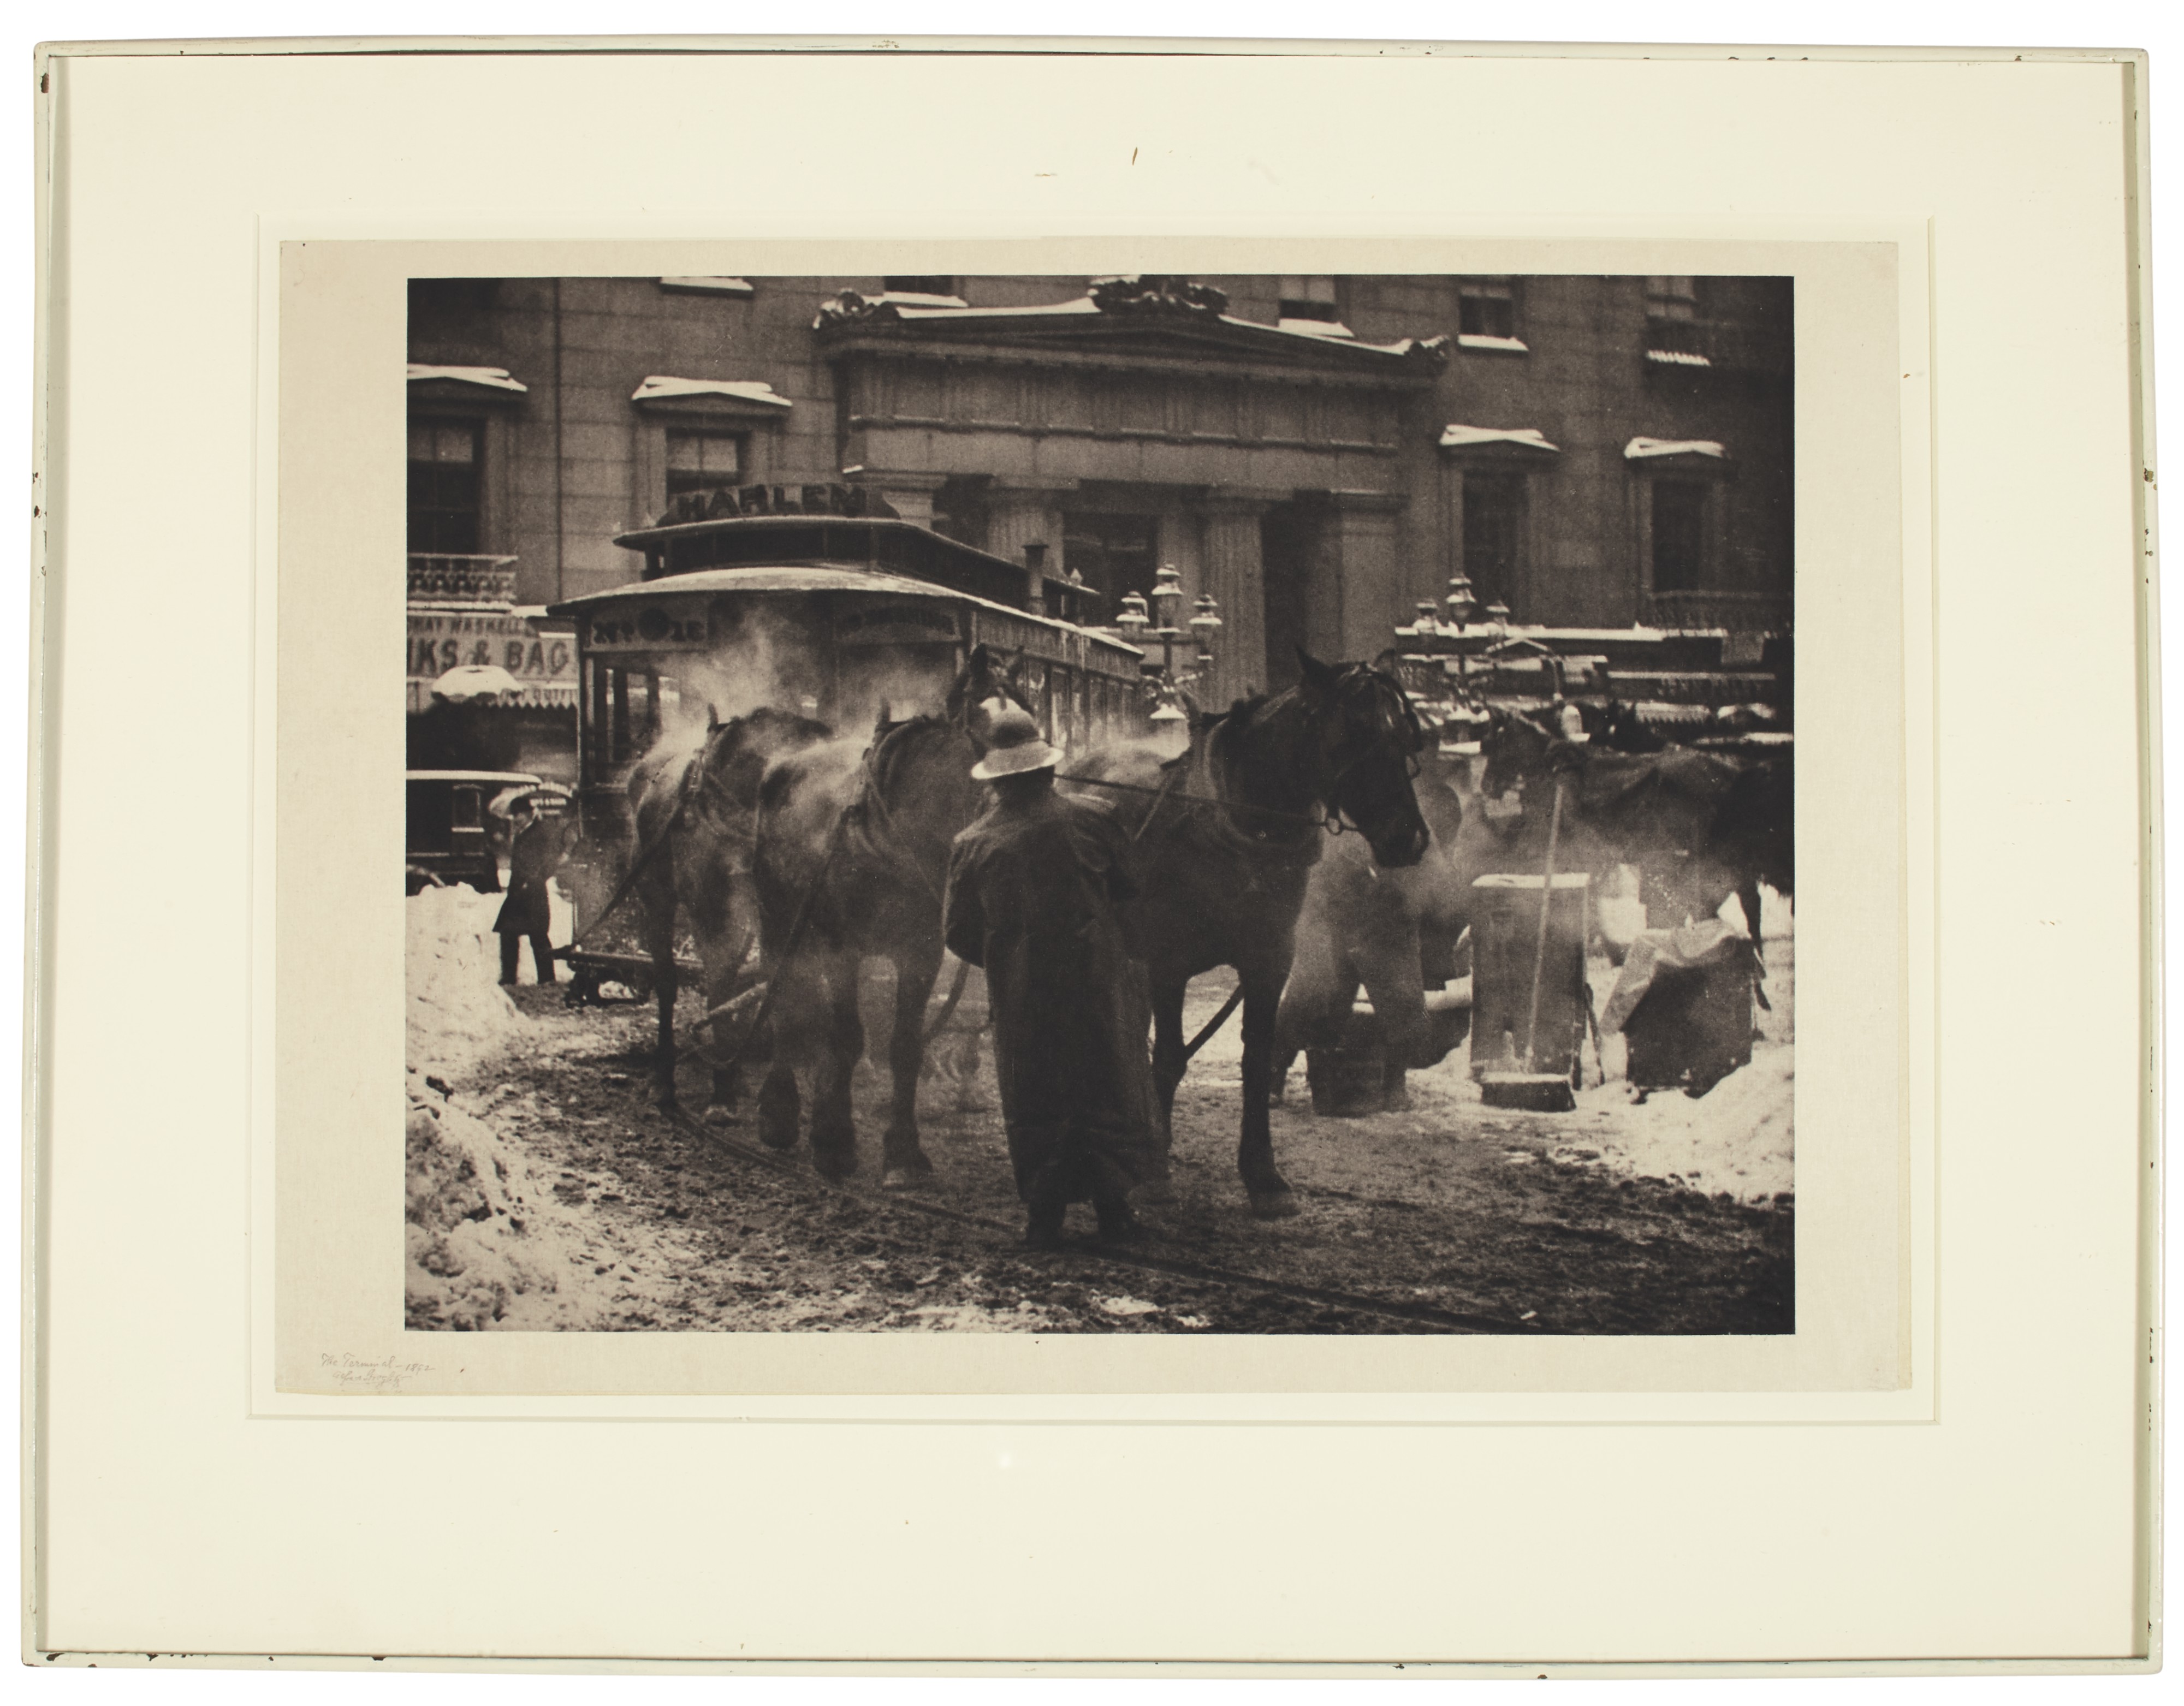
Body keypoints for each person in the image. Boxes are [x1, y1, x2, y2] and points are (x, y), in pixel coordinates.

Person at [942, 706, 1161, 1249]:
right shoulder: (1096, 819)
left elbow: (958, 932)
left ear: (997, 778)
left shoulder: (971, 842)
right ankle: (1115, 1213)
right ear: (1046, 770)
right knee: (1105, 1087)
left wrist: (1006, 957)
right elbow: (1132, 889)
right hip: (1096, 985)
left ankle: (1044, 1218)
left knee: (1034, 1095)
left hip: (1023, 995)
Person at [495, 796, 567, 986]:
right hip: (517, 891)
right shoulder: (521, 833)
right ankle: (509, 977)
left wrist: (536, 879)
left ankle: (547, 978)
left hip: (534, 893)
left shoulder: (541, 832)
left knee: (538, 935)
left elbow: (551, 860)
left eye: (518, 814)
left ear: (528, 814)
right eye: (514, 815)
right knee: (508, 932)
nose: (516, 819)